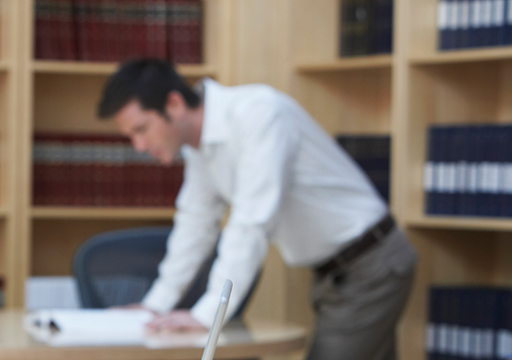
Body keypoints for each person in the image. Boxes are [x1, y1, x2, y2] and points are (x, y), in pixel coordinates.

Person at [96, 59, 417, 360]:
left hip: (372, 263)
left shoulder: (259, 114)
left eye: (141, 129)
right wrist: (155, 306)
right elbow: (195, 226)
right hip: (336, 272)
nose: (139, 146)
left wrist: (208, 316)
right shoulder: (199, 149)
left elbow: (251, 221)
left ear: (174, 105)